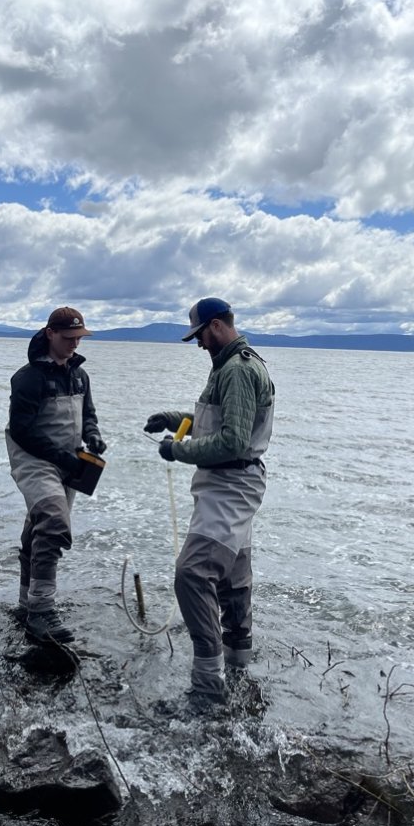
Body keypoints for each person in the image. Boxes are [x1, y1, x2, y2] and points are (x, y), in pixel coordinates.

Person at [144, 297, 274, 708]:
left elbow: (233, 440)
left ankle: (207, 693)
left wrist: (177, 451)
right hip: (238, 484)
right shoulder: (238, 365)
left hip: (230, 487)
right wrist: (173, 418)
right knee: (234, 582)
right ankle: (239, 675)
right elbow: (223, 421)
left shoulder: (236, 370)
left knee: (193, 575)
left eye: (199, 334)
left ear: (216, 326)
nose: (198, 343)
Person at [5, 306, 106, 644]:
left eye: (79, 337)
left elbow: (88, 412)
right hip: (34, 459)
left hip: (68, 462)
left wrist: (92, 435)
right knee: (54, 523)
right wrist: (64, 458)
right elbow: (21, 430)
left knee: (38, 527)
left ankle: (24, 603)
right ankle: (41, 612)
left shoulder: (80, 374)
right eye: (69, 338)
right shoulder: (28, 378)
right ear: (50, 334)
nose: (76, 344)